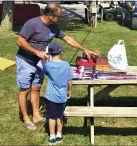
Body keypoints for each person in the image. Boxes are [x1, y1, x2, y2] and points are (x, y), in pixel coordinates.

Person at [16, 2, 99, 130]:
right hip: (25, 60)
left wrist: (85, 49)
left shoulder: (54, 26)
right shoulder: (32, 23)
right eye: (59, 16)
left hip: (40, 61)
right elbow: (20, 41)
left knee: (36, 88)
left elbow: (68, 39)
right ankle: (26, 118)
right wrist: (37, 51)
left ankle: (36, 115)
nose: (61, 18)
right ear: (50, 15)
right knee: (25, 89)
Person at [44, 42, 72, 145]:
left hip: (51, 96)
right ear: (61, 53)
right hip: (62, 96)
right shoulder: (66, 65)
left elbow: (45, 72)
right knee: (60, 116)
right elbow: (69, 80)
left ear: (50, 53)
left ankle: (52, 136)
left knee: (51, 117)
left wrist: (47, 60)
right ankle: (59, 135)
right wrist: (70, 91)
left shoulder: (48, 65)